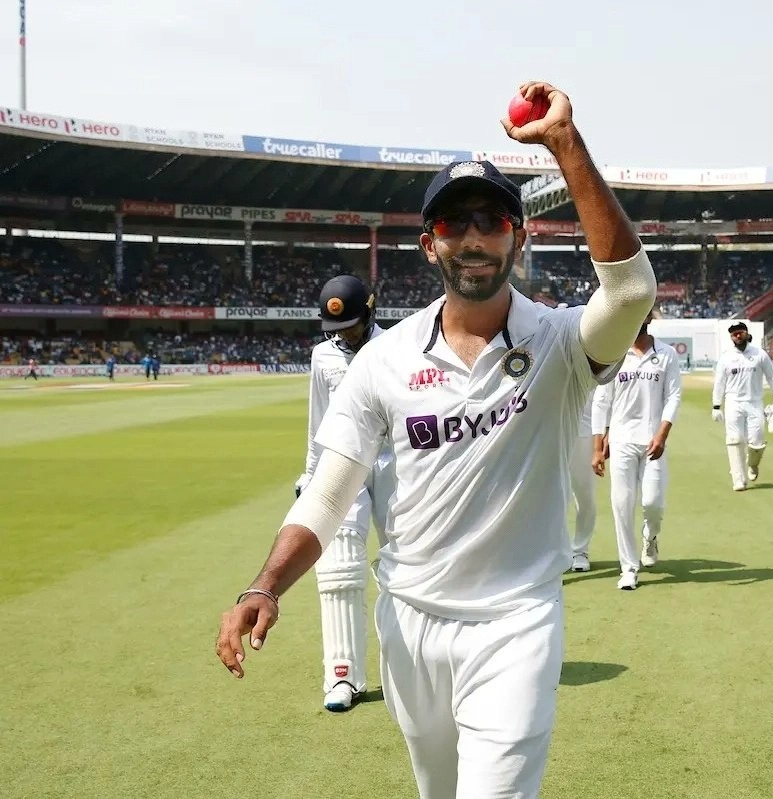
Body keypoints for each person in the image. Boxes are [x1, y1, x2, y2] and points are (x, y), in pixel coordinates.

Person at [215, 81, 656, 799]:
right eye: (455, 225)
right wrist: (265, 583)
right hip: (410, 623)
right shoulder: (383, 362)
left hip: (517, 622)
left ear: (519, 236)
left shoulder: (559, 344)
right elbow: (329, 493)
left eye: (491, 220)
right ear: (429, 244)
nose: (474, 237)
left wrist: (565, 144)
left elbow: (631, 294)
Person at [295, 273, 394, 711]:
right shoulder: (323, 357)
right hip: (341, 463)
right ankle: (343, 677)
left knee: (406, 561)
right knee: (338, 566)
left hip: (394, 464)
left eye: (351, 326)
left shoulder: (396, 347)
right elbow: (319, 422)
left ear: (370, 313)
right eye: (337, 330)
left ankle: (411, 668)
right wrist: (309, 476)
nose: (345, 336)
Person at [590, 309, 682, 590]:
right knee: (622, 505)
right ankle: (628, 568)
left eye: (638, 318)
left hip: (654, 441)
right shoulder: (615, 355)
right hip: (621, 441)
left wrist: (662, 434)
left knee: (653, 504)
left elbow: (674, 395)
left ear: (647, 320)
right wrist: (597, 446)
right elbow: (601, 401)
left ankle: (650, 537)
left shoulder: (666, 354)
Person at [712, 322, 773, 491]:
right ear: (731, 337)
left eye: (740, 332)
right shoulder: (726, 357)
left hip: (754, 402)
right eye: (734, 334)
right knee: (734, 440)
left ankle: (753, 464)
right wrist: (716, 406)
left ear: (746, 333)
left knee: (757, 441)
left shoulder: (760, 354)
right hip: (733, 403)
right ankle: (738, 479)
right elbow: (719, 383)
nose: (737, 336)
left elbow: (772, 377)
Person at [557, 302, 599, 574]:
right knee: (554, 497)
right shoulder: (549, 353)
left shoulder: (596, 355)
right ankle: (557, 553)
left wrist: (602, 440)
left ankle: (580, 550)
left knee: (584, 495)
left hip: (583, 434)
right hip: (552, 434)